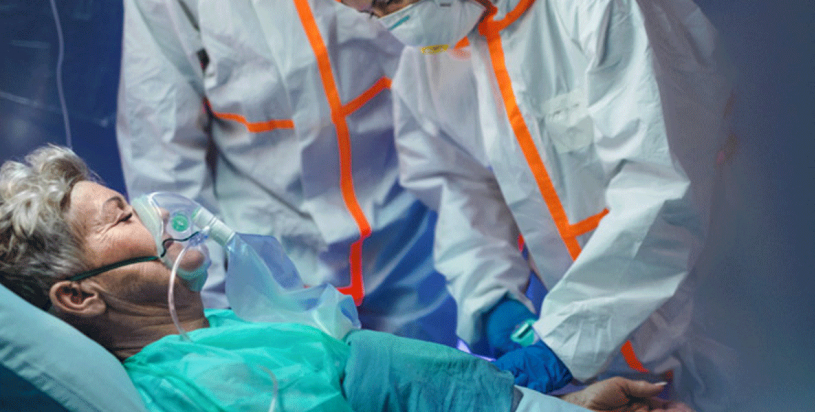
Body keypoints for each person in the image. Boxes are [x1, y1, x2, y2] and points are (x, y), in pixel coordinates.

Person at [0, 145, 694, 412]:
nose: (159, 216)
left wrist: (554, 404)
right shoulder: (201, 383)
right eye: (124, 217)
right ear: (78, 296)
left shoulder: (219, 337)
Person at [340, 0, 736, 410]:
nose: (391, 22)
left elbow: (662, 189)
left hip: (726, 314)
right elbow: (461, 194)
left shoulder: (601, 9)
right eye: (368, 13)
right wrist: (494, 302)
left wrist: (564, 343)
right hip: (610, 355)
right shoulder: (428, 70)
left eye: (386, 1)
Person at [115, 0, 457, 346]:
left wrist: (475, 261)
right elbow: (164, 151)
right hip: (272, 269)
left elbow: (454, 72)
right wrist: (209, 317)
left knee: (433, 372)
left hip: (412, 246)